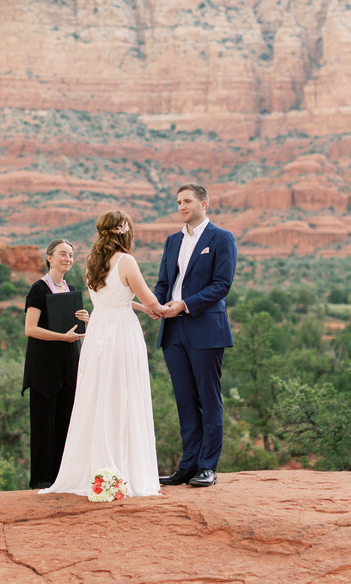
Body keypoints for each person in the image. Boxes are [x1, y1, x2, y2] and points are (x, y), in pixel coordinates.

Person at [40, 211, 164, 498]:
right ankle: (126, 469)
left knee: (97, 395)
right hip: (121, 332)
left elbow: (112, 299)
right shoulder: (126, 260)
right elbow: (147, 297)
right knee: (124, 392)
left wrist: (144, 308)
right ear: (123, 230)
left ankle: (94, 468)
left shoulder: (92, 262)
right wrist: (161, 308)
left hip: (99, 329)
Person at [152, 183, 236, 488]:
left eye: (187, 201)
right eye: (178, 202)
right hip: (173, 329)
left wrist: (185, 304)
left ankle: (207, 466)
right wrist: (158, 304)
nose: (181, 207)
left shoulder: (222, 238)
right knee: (185, 400)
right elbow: (164, 281)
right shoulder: (172, 240)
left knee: (208, 399)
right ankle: (187, 466)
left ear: (204, 203)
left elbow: (222, 285)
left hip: (205, 328)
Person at [22, 239, 88, 489]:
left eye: (71, 255)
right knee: (43, 423)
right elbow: (30, 329)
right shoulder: (38, 289)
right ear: (49, 257)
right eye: (62, 254)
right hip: (44, 367)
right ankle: (41, 479)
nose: (68, 259)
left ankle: (62, 477)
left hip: (68, 365)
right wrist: (62, 337)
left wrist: (85, 319)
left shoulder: (70, 288)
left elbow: (74, 328)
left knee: (65, 421)